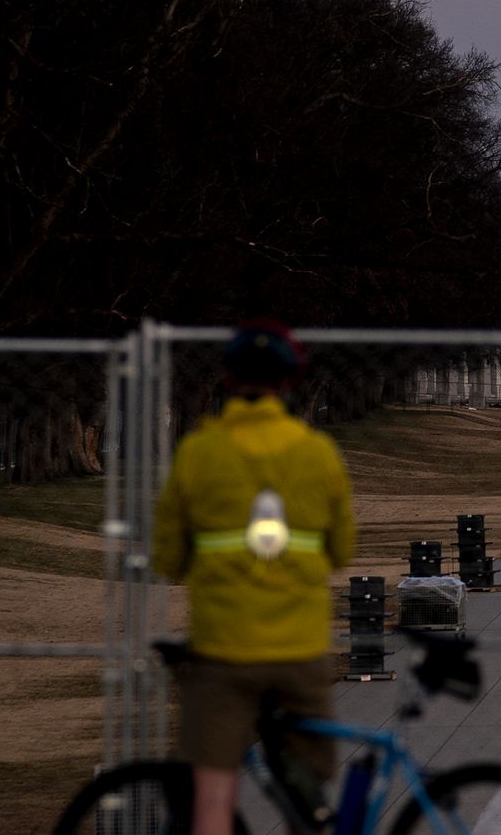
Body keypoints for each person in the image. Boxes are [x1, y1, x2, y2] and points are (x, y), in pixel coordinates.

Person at [151, 321, 357, 835]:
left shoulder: (199, 452)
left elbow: (169, 557)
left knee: (213, 794)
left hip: (224, 648)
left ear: (227, 378)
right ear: (291, 382)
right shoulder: (317, 453)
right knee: (307, 794)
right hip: (299, 646)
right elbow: (342, 550)